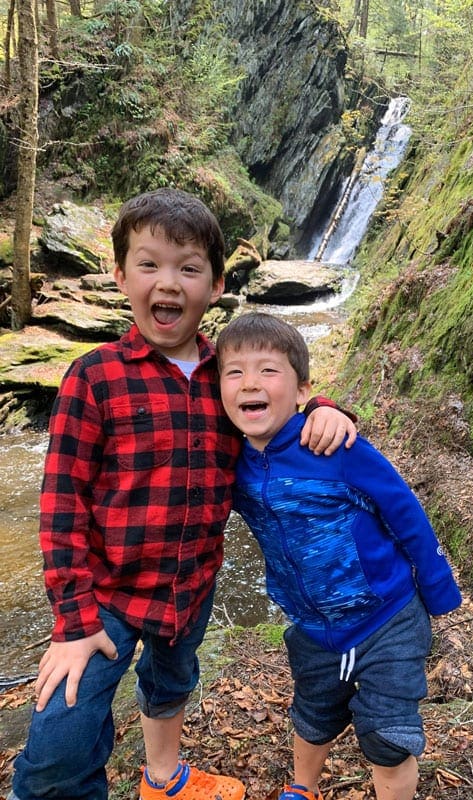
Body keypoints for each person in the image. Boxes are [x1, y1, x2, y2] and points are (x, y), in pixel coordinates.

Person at [8, 189, 357, 800]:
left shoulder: (230, 373)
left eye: (188, 268)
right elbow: (60, 507)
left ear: (216, 284)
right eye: (149, 264)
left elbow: (279, 398)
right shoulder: (94, 377)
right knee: (60, 740)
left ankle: (162, 777)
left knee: (170, 683)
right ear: (120, 274)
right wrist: (70, 620)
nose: (168, 283)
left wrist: (325, 408)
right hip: (104, 600)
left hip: (191, 586)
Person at [216, 312, 462, 800]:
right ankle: (301, 790)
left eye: (269, 370)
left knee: (387, 738)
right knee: (312, 714)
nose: (251, 383)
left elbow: (404, 510)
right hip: (312, 627)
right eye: (235, 372)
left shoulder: (335, 446)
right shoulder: (232, 461)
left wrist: (438, 588)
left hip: (386, 617)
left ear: (302, 389)